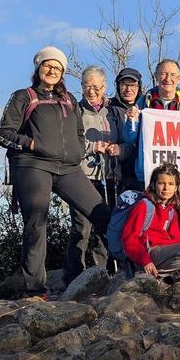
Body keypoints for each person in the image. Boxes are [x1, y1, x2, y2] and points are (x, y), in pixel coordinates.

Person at [0, 46, 111, 297]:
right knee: (37, 224)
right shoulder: (23, 96)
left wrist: (79, 150)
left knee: (101, 213)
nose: (52, 71)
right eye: (48, 65)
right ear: (38, 68)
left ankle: (127, 270)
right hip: (33, 165)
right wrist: (32, 144)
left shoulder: (68, 99)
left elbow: (79, 132)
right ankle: (35, 289)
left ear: (63, 73)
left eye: (57, 68)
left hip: (69, 167)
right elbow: (2, 133)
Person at [68, 66, 132, 279]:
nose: (92, 91)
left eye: (96, 86)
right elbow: (69, 144)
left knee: (110, 227)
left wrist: (119, 150)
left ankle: (107, 275)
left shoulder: (115, 112)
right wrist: (91, 147)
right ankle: (73, 277)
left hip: (111, 177)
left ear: (104, 87)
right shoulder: (73, 110)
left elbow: (128, 143)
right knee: (81, 228)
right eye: (87, 85)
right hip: (82, 178)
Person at [121, 163, 180, 282]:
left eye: (170, 184)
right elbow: (129, 239)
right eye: (161, 183)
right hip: (147, 253)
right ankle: (149, 275)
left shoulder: (171, 210)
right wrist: (145, 261)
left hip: (166, 253)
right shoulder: (144, 206)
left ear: (176, 188)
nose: (166, 188)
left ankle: (168, 277)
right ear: (154, 185)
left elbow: (176, 239)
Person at [109, 67, 143, 192]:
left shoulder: (146, 107)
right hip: (119, 173)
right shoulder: (109, 108)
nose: (128, 89)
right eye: (124, 85)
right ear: (118, 86)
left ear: (139, 87)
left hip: (142, 173)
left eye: (132, 85)